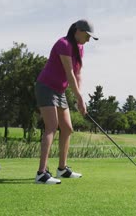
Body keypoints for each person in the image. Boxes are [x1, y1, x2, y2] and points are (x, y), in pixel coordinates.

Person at [34, 19, 98, 184]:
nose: (89, 39)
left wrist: (80, 96)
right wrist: (78, 98)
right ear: (78, 31)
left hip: (60, 90)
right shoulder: (63, 44)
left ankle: (62, 169)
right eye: (87, 35)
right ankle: (41, 173)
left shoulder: (80, 48)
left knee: (68, 128)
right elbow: (69, 72)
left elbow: (78, 74)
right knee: (52, 126)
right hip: (46, 86)